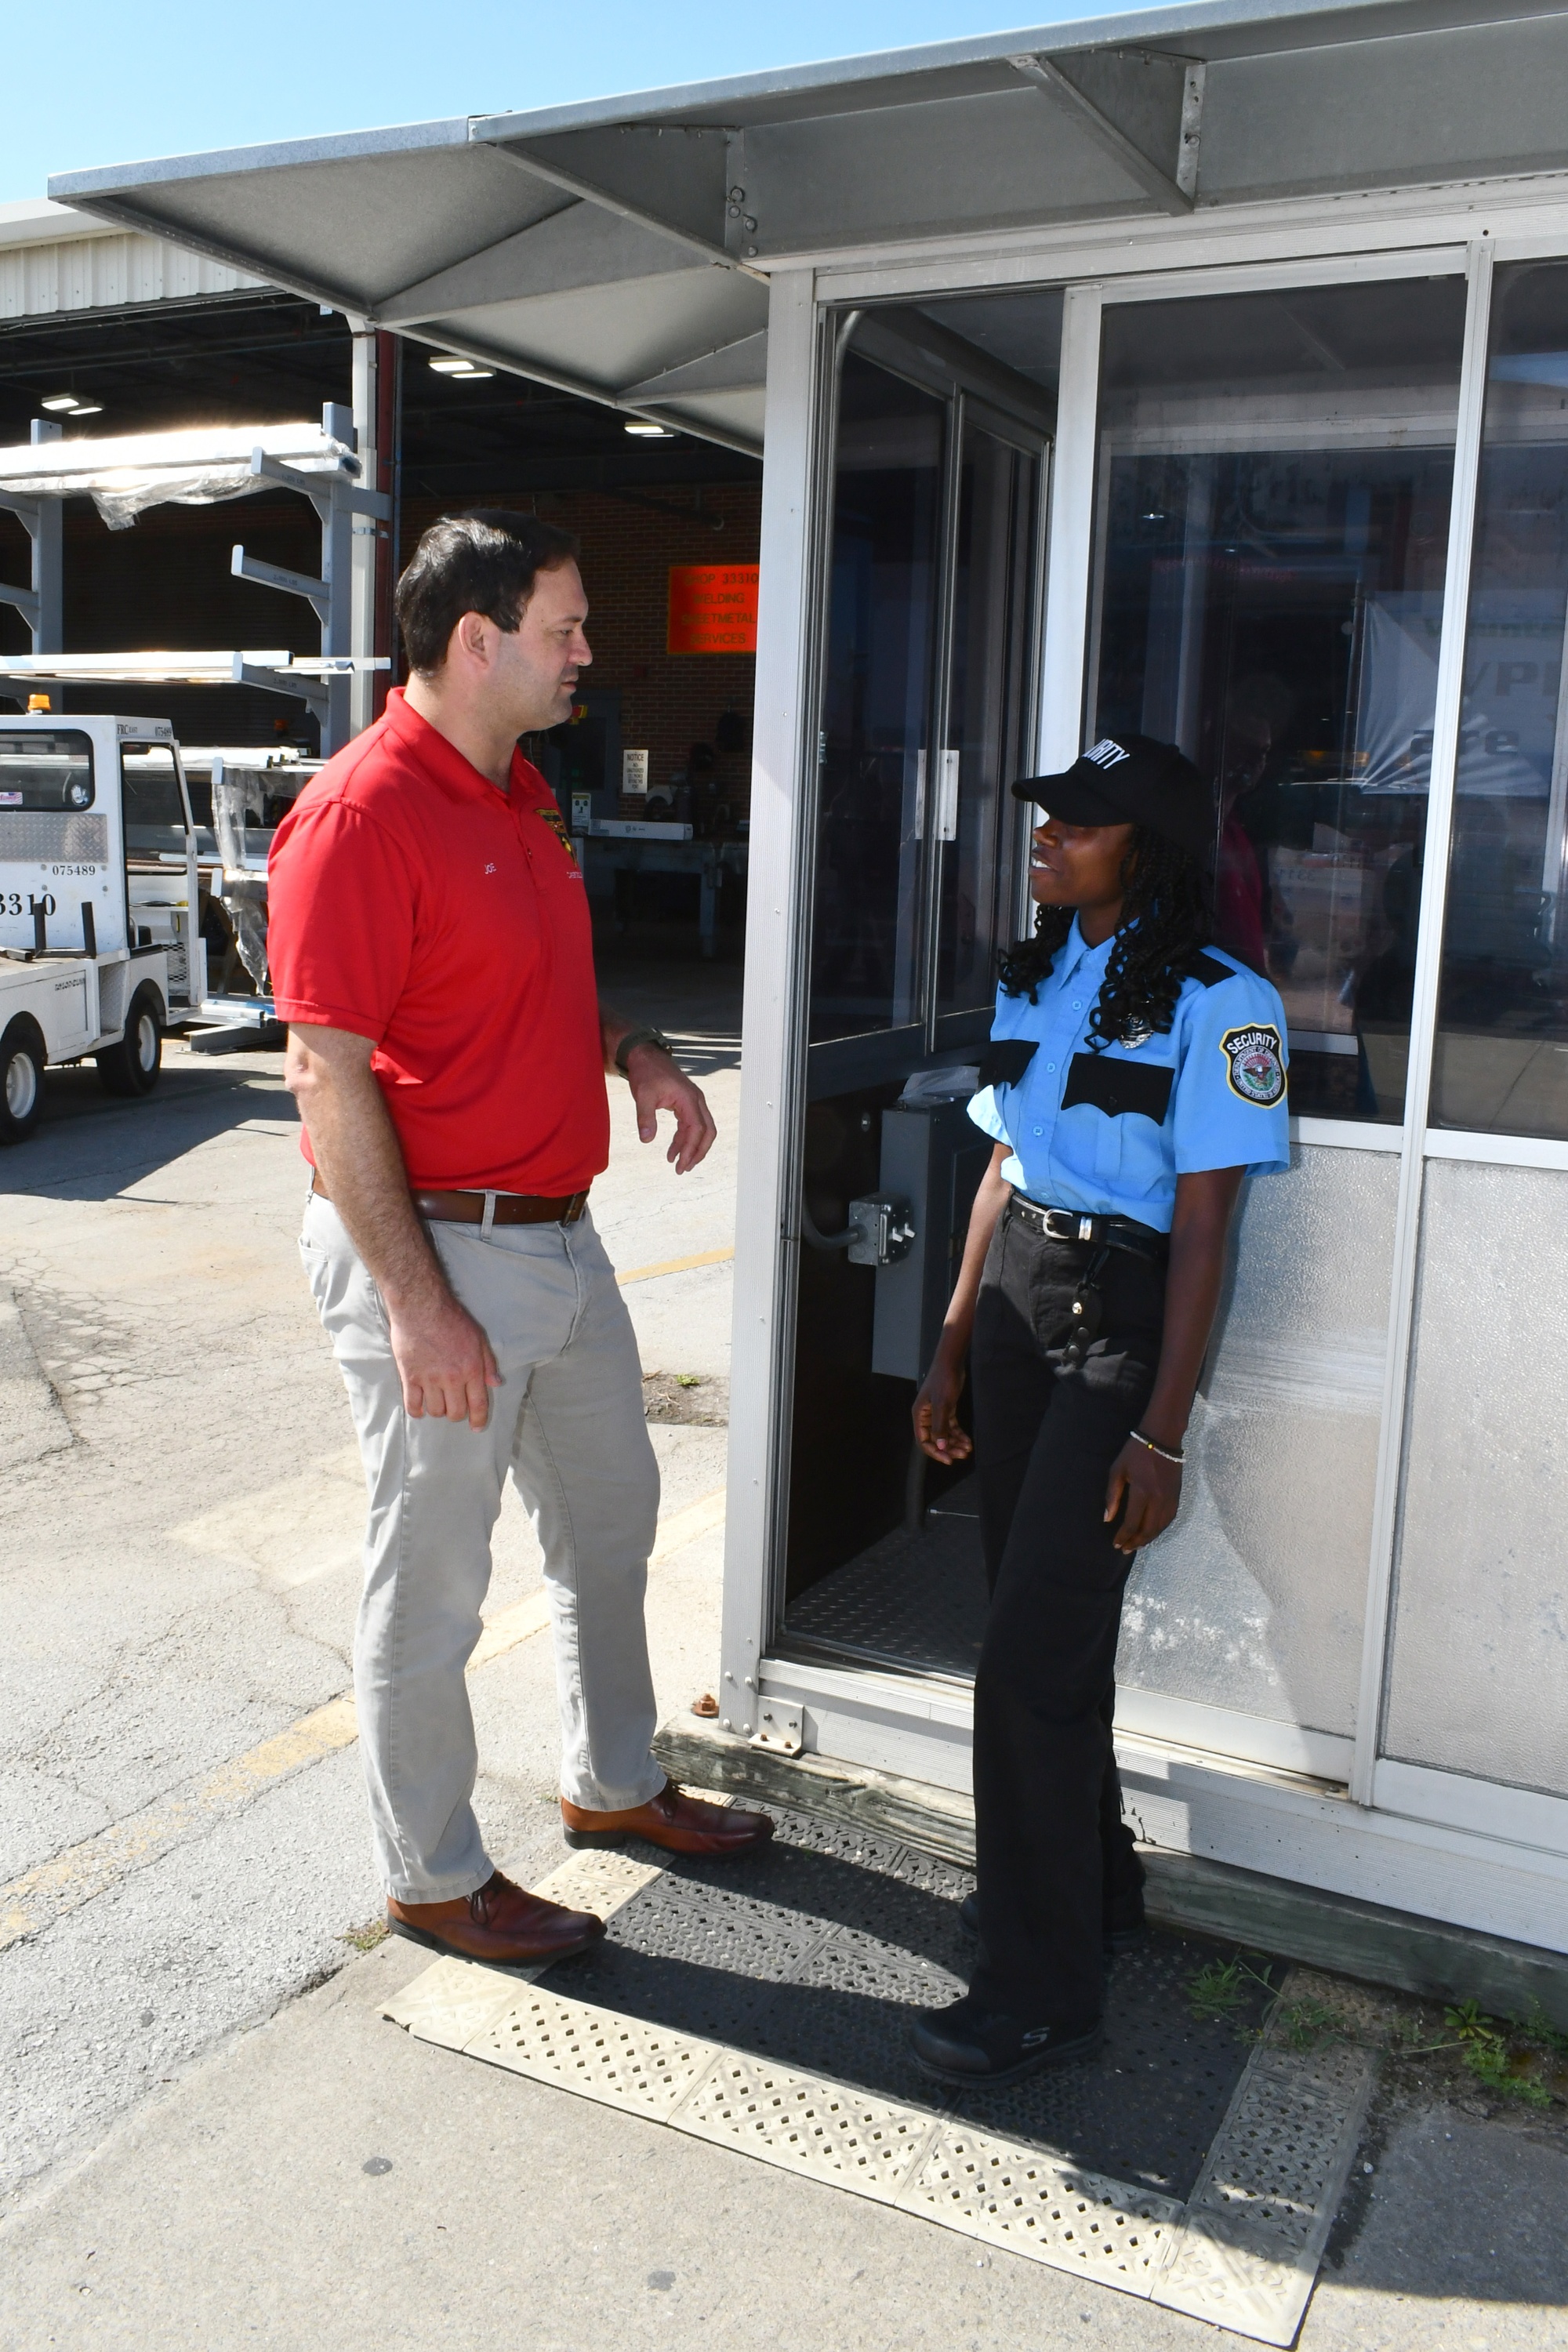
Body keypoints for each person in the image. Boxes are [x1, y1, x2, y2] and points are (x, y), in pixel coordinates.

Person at [267, 511, 771, 1970]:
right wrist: (420, 1310)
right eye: (565, 629)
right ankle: (433, 1874)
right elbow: (326, 1072)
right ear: (474, 641)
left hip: (560, 1236)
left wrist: (643, 1051)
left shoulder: (521, 793)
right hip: (440, 1252)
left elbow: (537, 984)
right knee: (429, 1582)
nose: (587, 654)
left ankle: (612, 1784)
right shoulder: (360, 813)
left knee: (609, 1529)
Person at [908, 731, 1290, 2085]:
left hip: (1112, 1328)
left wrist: (1162, 1430)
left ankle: (1042, 1983)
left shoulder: (1224, 1004)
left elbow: (1203, 1236)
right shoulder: (1042, 973)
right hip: (1017, 1309)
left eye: (1081, 822)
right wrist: (949, 1341)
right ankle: (1099, 1886)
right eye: (1048, 818)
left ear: (1153, 851)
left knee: (1027, 1662)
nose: (1047, 836)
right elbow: (1006, 1166)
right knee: (1042, 1633)